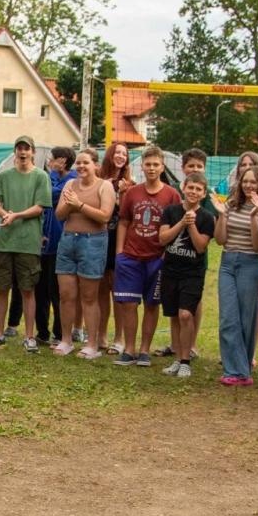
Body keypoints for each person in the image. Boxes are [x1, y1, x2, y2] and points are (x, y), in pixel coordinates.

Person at [0, 137, 52, 352]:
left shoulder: (41, 177)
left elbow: (40, 207)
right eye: (19, 148)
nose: (23, 152)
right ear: (15, 152)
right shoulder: (4, 176)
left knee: (27, 289)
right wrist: (5, 214)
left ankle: (29, 337)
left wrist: (16, 215)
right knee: (1, 288)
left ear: (32, 152)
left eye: (26, 148)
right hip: (4, 242)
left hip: (28, 243)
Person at [111, 146, 179, 367]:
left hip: (157, 257)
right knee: (129, 304)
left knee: (152, 304)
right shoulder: (132, 193)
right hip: (131, 256)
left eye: (155, 165)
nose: (151, 168)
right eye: (147, 164)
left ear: (162, 167)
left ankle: (144, 351)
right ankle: (129, 349)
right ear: (142, 166)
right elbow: (123, 221)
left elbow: (177, 226)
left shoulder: (171, 194)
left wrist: (167, 255)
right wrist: (120, 253)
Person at [53, 149, 115, 359]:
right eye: (78, 163)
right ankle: (66, 340)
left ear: (95, 165)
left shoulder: (105, 186)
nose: (80, 167)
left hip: (93, 242)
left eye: (85, 163)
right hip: (68, 240)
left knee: (89, 296)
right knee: (66, 295)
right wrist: (69, 205)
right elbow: (59, 214)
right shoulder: (70, 185)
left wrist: (79, 204)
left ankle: (91, 344)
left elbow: (105, 216)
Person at [155, 172, 215, 378]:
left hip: (192, 274)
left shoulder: (207, 218)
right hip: (171, 270)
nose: (194, 192)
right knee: (173, 315)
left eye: (198, 189)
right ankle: (177, 358)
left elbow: (200, 247)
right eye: (191, 187)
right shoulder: (171, 211)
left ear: (203, 193)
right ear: (184, 187)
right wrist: (181, 223)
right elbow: (162, 239)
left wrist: (191, 226)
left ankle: (186, 360)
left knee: (185, 314)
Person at [215, 164, 258, 385]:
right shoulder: (230, 204)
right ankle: (234, 370)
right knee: (228, 317)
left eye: (253, 181)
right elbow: (220, 240)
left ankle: (242, 369)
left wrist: (255, 220)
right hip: (228, 262)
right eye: (245, 181)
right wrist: (222, 216)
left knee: (247, 318)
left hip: (252, 263)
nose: (248, 185)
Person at [96, 143, 135, 352]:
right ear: (110, 155)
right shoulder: (99, 179)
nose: (120, 156)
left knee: (117, 290)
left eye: (124, 154)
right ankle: (101, 335)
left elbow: (128, 214)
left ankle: (119, 338)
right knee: (101, 288)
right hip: (98, 238)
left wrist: (121, 195)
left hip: (119, 241)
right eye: (117, 152)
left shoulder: (131, 184)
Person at [35, 146, 73, 345]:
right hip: (42, 244)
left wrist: (49, 181)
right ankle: (42, 332)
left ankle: (60, 333)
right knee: (40, 289)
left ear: (63, 161)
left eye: (52, 159)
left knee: (58, 292)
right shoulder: (49, 177)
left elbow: (49, 195)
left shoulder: (72, 179)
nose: (49, 162)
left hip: (62, 244)